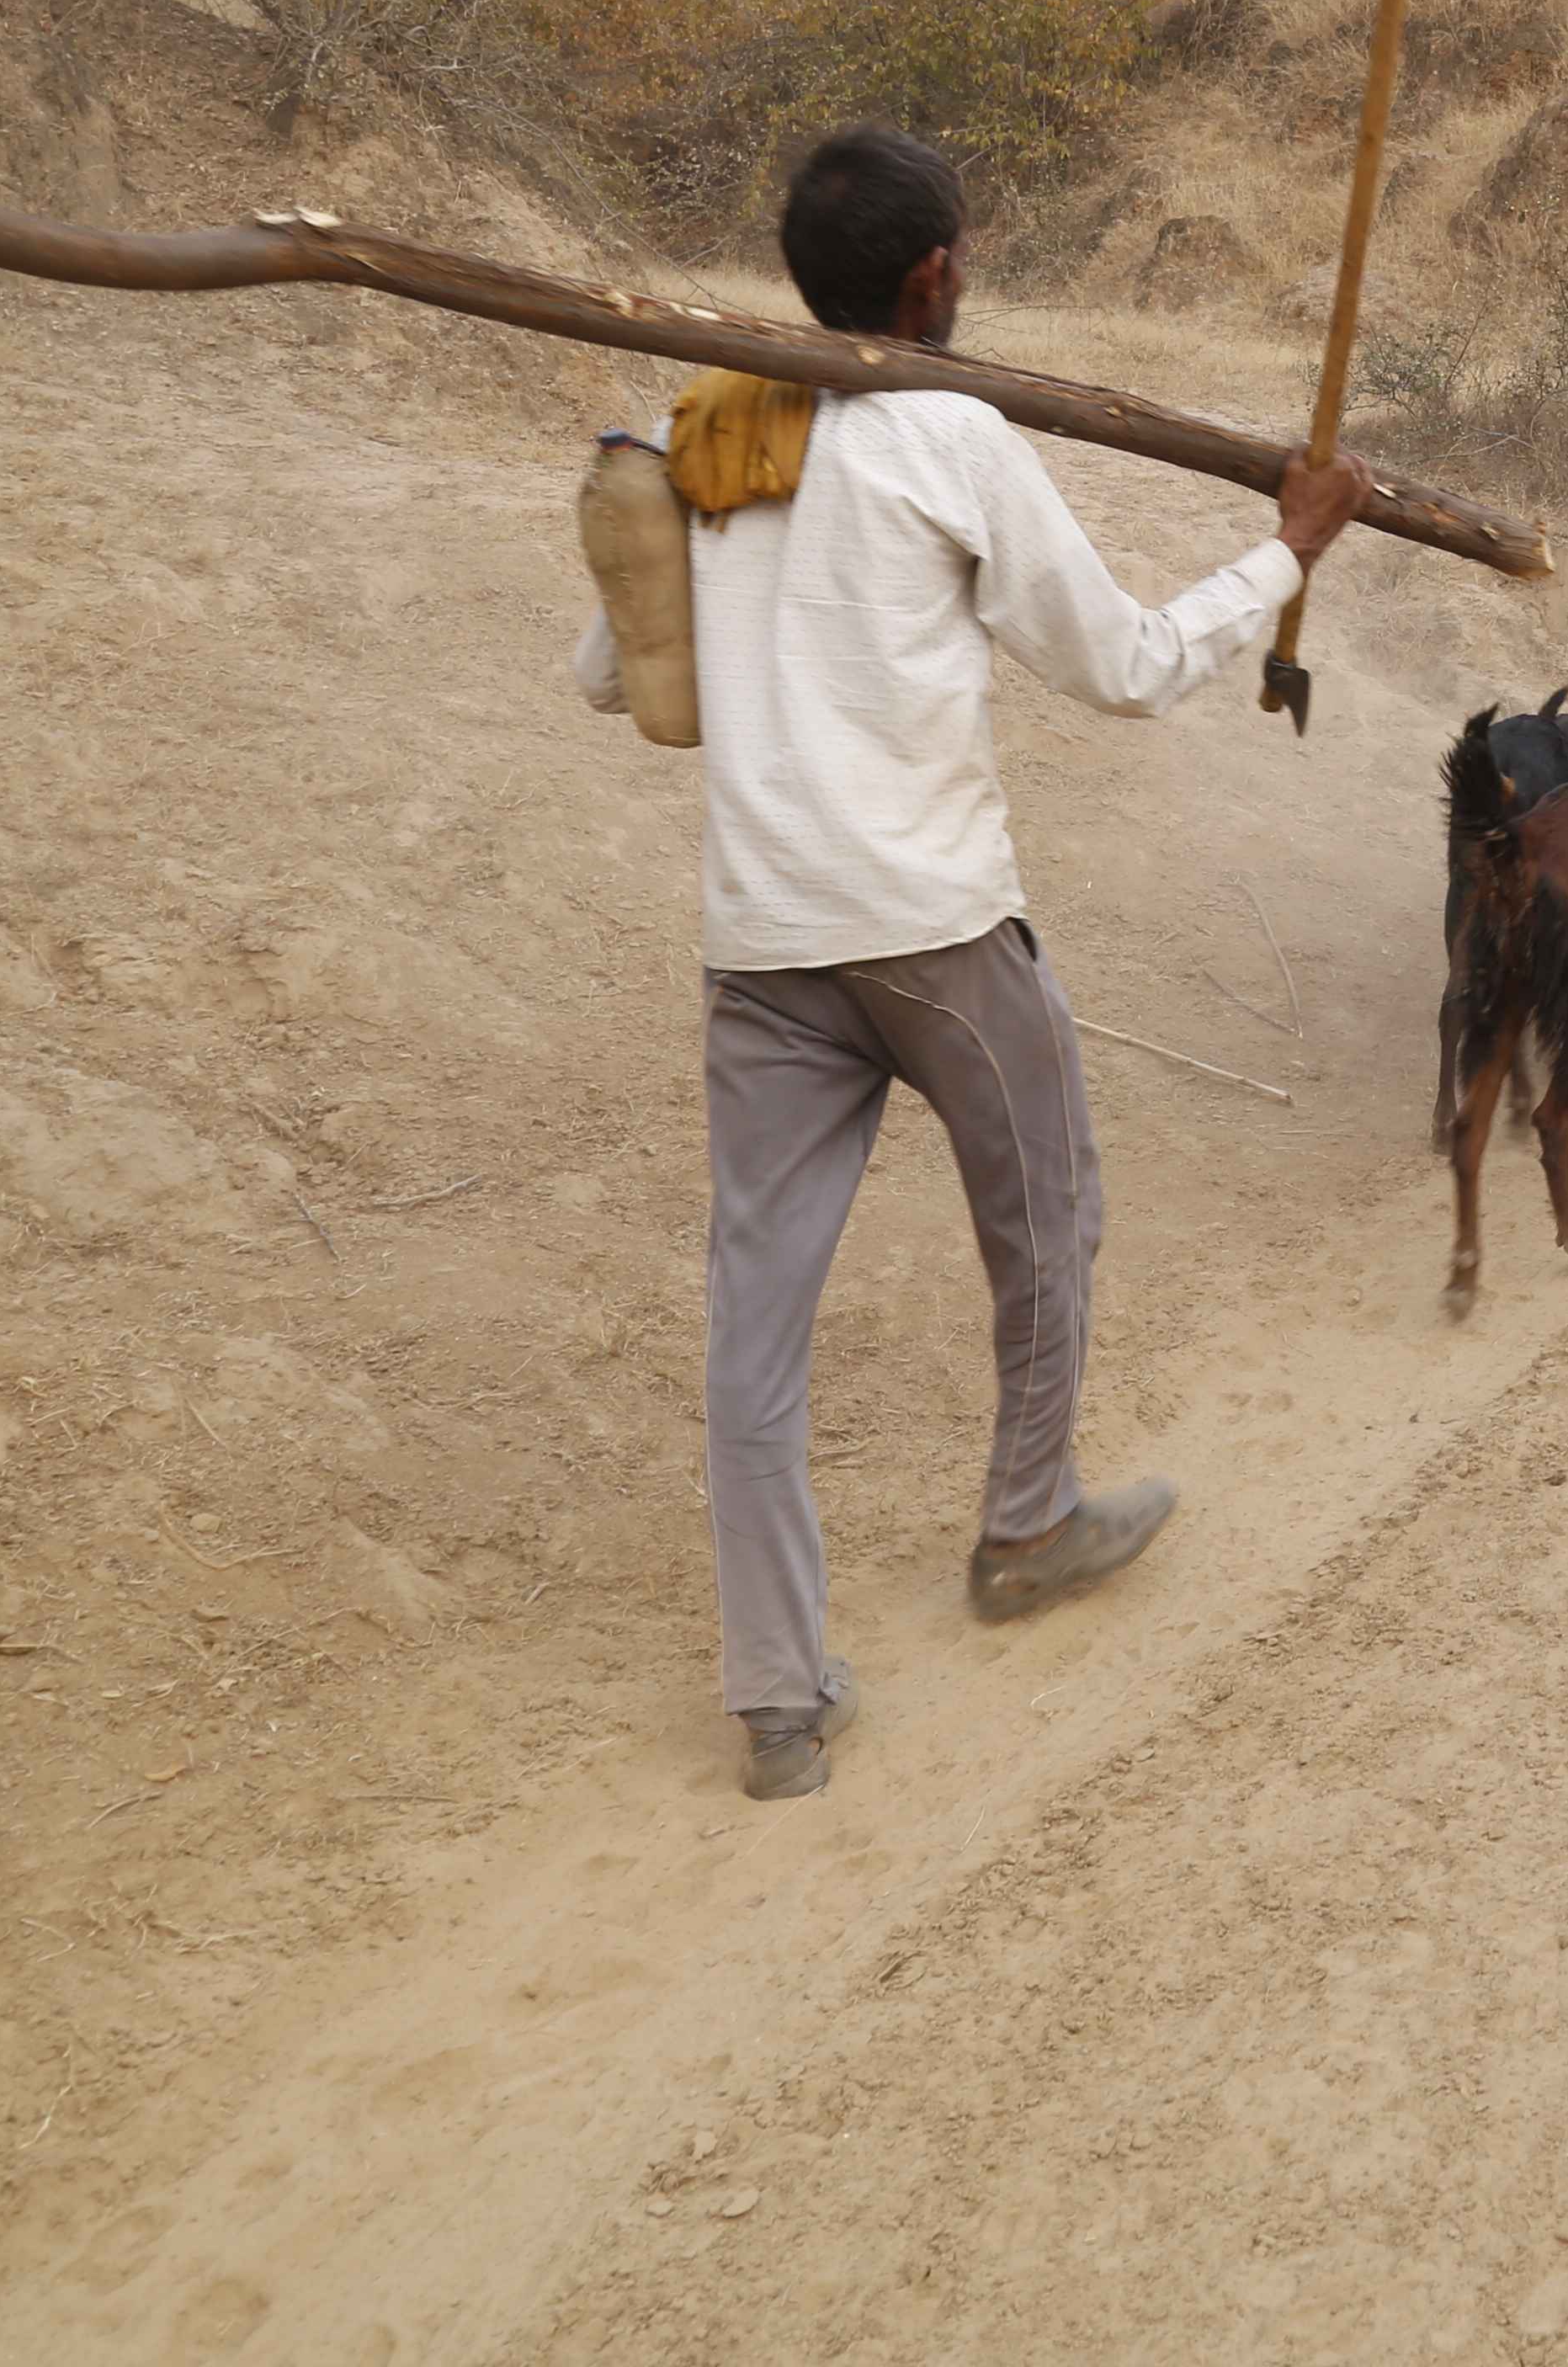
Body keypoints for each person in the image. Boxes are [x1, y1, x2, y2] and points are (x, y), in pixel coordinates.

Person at [571, 125, 1364, 1800]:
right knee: (1050, 1209)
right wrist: (1288, 551)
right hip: (932, 930)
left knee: (753, 1328)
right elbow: (1134, 667)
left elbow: (609, 665)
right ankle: (1027, 1525)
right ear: (939, 278)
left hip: (761, 943)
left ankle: (778, 1703)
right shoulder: (958, 439)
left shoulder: (710, 424)